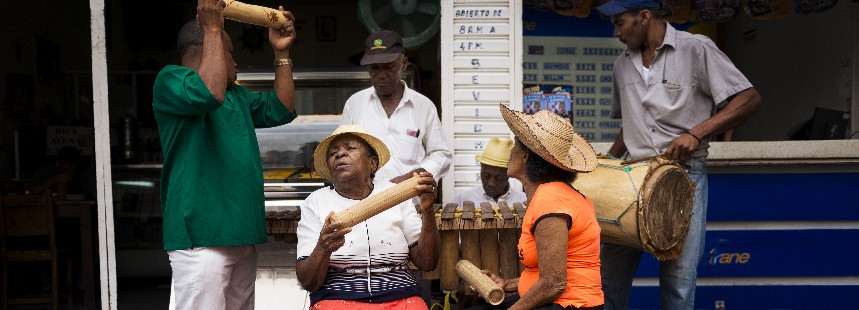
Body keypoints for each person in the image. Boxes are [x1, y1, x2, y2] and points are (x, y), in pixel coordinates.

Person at [595, 1, 762, 309]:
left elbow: (749, 98)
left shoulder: (695, 48)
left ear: (644, 17)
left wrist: (697, 132)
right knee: (609, 278)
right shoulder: (621, 64)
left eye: (620, 22)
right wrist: (604, 162)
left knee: (678, 281)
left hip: (683, 178)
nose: (616, 32)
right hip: (631, 180)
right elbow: (629, 125)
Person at [152, 0, 297, 308]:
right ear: (206, 46)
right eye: (231, 52)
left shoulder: (237, 95)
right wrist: (214, 28)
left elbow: (281, 110)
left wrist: (281, 53)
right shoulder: (170, 80)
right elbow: (208, 93)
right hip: (202, 236)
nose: (236, 62)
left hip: (241, 231)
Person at [467, 105, 604, 310]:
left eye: (515, 146)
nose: (510, 153)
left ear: (525, 157)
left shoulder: (551, 199)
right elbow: (544, 274)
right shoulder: (548, 194)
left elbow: (553, 283)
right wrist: (507, 284)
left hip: (572, 305)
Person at [295, 124, 440, 309]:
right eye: (333, 152)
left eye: (350, 148)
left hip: (400, 298)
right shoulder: (315, 202)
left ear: (372, 164)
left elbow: (428, 263)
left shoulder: (395, 194)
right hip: (337, 299)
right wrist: (323, 248)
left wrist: (427, 211)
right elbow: (308, 282)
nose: (339, 154)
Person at [340, 30, 452, 184]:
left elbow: (441, 155)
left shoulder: (423, 106)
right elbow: (342, 152)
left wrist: (412, 178)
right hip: (366, 203)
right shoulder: (354, 105)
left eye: (388, 67)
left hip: (412, 203)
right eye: (374, 68)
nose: (381, 74)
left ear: (404, 64)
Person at [453, 136, 526, 207]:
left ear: (509, 175)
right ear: (481, 170)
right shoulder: (461, 201)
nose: (491, 183)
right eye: (486, 176)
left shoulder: (524, 202)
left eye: (499, 178)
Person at [27, 145, 95, 200]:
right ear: (57, 163)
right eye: (65, 169)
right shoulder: (47, 172)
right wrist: (53, 180)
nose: (70, 173)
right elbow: (30, 192)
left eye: (73, 170)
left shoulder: (84, 174)